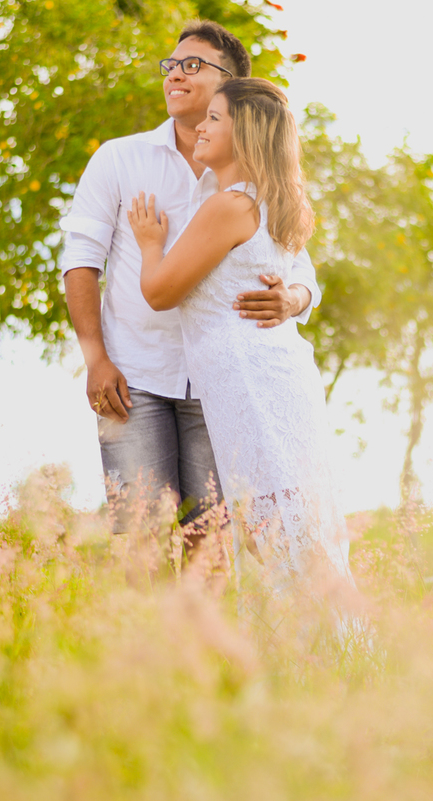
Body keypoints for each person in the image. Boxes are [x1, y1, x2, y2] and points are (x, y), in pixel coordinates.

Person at [59, 21, 321, 544]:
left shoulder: (250, 180)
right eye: (171, 65)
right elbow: (81, 260)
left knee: (211, 543)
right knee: (140, 538)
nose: (174, 74)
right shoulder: (119, 158)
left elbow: (298, 268)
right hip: (133, 376)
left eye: (192, 65)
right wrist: (95, 359)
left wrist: (291, 300)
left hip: (220, 383)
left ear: (230, 84)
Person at [126, 78, 353, 592]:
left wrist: (150, 243)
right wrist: (297, 297)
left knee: (272, 530)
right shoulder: (275, 205)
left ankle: (326, 633)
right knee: (286, 528)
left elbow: (160, 293)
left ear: (245, 134)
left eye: (214, 118)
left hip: (248, 380)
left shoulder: (229, 206)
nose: (200, 128)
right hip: (272, 372)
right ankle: (332, 632)